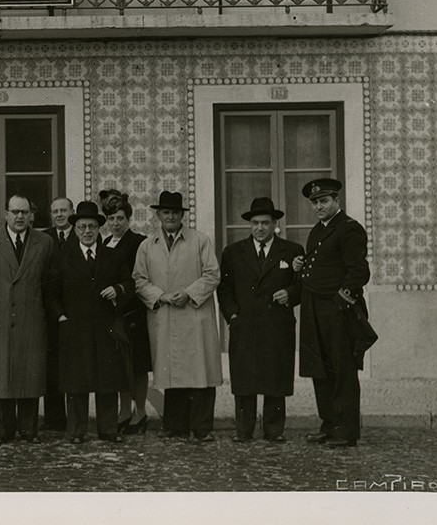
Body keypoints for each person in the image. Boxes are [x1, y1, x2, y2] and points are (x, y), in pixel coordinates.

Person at [132, 190, 222, 443]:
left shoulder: (199, 240)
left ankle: (202, 427)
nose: (170, 217)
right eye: (166, 213)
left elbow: (212, 274)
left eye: (175, 212)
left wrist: (189, 293)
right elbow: (139, 279)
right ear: (158, 215)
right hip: (166, 315)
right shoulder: (147, 245)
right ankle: (174, 425)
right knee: (172, 372)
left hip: (195, 314)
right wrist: (160, 296)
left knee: (200, 371)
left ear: (182, 215)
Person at [218, 196, 304, 443]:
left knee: (275, 379)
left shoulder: (292, 251)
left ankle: (273, 431)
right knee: (244, 379)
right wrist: (233, 316)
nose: (259, 228)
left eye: (265, 223)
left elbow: (303, 285)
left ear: (274, 224)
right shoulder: (233, 252)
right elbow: (225, 288)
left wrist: (290, 294)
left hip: (277, 324)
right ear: (250, 224)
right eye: (255, 223)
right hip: (244, 324)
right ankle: (243, 431)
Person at [45, 201, 133, 444]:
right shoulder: (63, 257)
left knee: (108, 381)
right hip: (74, 328)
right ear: (75, 229)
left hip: (106, 328)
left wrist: (118, 289)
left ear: (98, 229)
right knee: (76, 383)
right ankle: (76, 431)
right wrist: (61, 317)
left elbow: (130, 283)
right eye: (82, 226)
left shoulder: (114, 255)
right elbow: (50, 293)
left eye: (92, 226)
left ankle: (108, 429)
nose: (87, 231)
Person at [293, 178, 371, 448]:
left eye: (324, 201)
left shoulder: (350, 229)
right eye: (314, 202)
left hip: (338, 311)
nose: (318, 206)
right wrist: (299, 266)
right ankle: (329, 425)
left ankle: (346, 431)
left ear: (337, 201)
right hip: (314, 309)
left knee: (342, 371)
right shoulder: (317, 230)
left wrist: (340, 303)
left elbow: (359, 273)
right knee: (321, 370)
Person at [0, 194, 54, 444]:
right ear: (5, 214)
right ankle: (3, 429)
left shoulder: (44, 242)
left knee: (30, 374)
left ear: (31, 215)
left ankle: (29, 430)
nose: (20, 217)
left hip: (32, 318)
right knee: (0, 375)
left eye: (25, 212)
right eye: (15, 212)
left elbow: (49, 284)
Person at [99, 189, 150, 435]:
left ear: (128, 219)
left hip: (135, 313)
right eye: (111, 219)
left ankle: (139, 412)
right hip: (113, 314)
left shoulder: (139, 242)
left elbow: (140, 277)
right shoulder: (104, 243)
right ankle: (124, 410)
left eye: (120, 218)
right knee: (120, 365)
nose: (115, 223)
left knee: (138, 365)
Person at [39, 196, 75, 432]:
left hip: (76, 313)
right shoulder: (43, 238)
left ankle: (74, 419)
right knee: (51, 367)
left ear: (72, 212)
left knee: (74, 369)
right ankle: (54, 421)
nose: (59, 215)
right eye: (55, 211)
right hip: (49, 314)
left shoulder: (83, 233)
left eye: (63, 210)